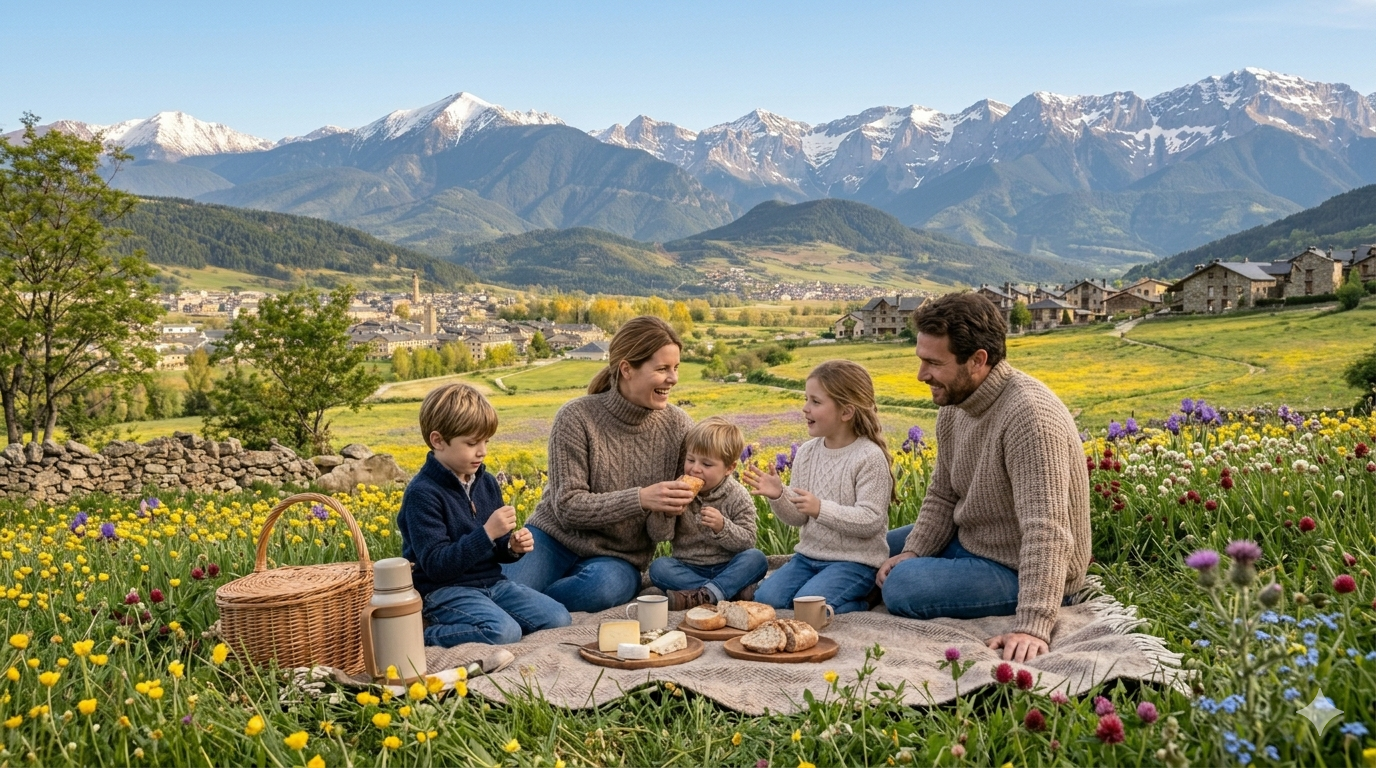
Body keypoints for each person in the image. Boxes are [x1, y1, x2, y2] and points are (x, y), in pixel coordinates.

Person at [877, 292, 1091, 662]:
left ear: (978, 360)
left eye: (933, 363)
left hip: (1018, 565)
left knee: (902, 585)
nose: (921, 375)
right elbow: (943, 495)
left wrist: (1033, 624)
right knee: (872, 548)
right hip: (973, 538)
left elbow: (1047, 530)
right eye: (921, 360)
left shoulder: (1030, 417)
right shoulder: (956, 404)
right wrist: (915, 550)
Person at [504, 316, 696, 613]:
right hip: (553, 539)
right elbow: (568, 507)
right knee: (503, 588)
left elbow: (661, 533)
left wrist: (669, 511)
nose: (673, 378)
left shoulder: (679, 427)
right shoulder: (576, 417)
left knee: (602, 588)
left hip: (618, 559)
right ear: (627, 369)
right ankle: (525, 602)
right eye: (662, 369)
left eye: (676, 368)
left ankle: (531, 605)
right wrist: (641, 499)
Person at [397, 383, 571, 646]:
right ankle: (421, 634)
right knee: (503, 632)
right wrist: (487, 532)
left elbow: (496, 549)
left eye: (485, 441)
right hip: (444, 591)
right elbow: (436, 565)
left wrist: (511, 547)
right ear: (438, 441)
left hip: (493, 584)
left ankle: (481, 619)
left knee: (558, 617)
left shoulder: (486, 482)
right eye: (471, 443)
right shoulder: (422, 494)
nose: (482, 451)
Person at [743, 360, 894, 614]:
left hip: (855, 563)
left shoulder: (869, 457)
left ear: (846, 412)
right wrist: (779, 495)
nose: (805, 408)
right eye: (806, 399)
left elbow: (871, 520)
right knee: (767, 600)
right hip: (807, 558)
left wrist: (820, 509)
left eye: (815, 402)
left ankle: (866, 599)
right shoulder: (806, 453)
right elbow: (798, 517)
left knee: (808, 608)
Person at [647, 416, 767, 610]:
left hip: (728, 565)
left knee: (756, 559)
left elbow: (748, 541)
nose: (695, 469)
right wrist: (666, 513)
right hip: (688, 566)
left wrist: (723, 527)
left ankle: (701, 595)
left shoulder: (737, 495)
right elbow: (658, 535)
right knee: (659, 568)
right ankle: (727, 592)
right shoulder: (677, 489)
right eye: (690, 460)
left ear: (729, 468)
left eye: (706, 464)